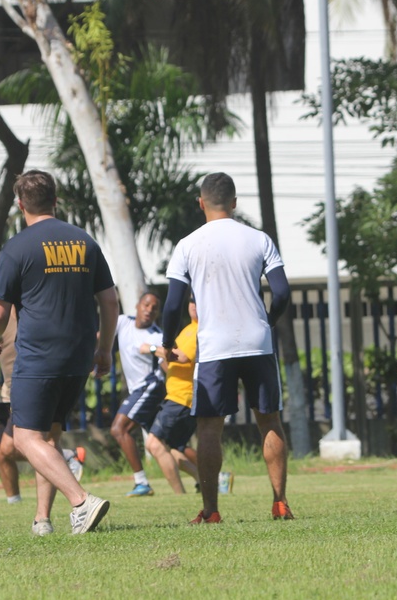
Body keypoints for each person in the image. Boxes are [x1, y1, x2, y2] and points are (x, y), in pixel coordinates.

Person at [0, 169, 117, 536]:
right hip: (78, 355)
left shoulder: (17, 247)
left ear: (19, 204)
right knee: (49, 436)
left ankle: (81, 501)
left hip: (39, 356)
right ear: (55, 201)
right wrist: (104, 348)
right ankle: (42, 519)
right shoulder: (84, 241)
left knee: (26, 438)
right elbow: (109, 300)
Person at [160, 172, 293, 524]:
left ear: (201, 203)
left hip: (215, 346)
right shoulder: (259, 239)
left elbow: (173, 304)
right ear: (234, 203)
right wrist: (267, 321)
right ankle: (280, 502)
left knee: (209, 428)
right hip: (257, 342)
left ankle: (211, 510)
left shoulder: (187, 245)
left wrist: (166, 341)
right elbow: (281, 293)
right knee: (269, 420)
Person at [0, 313, 84, 505]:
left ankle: (65, 456)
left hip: (26, 390)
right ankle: (14, 501)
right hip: (7, 391)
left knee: (9, 447)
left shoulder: (34, 310)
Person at [110, 292, 166, 497]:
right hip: (139, 389)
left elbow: (168, 357)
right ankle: (215, 476)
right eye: (146, 304)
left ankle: (141, 482)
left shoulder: (157, 336)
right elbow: (103, 335)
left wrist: (152, 349)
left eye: (154, 307)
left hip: (150, 386)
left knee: (118, 429)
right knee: (167, 441)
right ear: (137, 305)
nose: (149, 310)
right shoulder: (123, 322)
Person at [145, 295, 201, 494]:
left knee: (154, 443)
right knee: (175, 449)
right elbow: (172, 361)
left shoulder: (200, 331)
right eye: (191, 300)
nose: (194, 305)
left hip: (181, 398)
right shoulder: (187, 329)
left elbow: (184, 357)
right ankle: (208, 481)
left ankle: (179, 494)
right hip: (177, 396)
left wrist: (152, 349)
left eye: (199, 300)